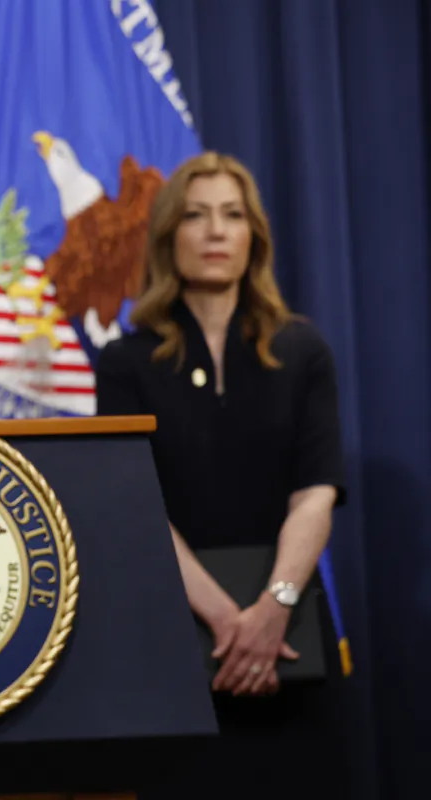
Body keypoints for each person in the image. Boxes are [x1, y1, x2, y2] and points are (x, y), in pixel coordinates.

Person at [94, 151, 350, 798]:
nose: (214, 231)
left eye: (232, 216)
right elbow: (139, 509)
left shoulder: (302, 350)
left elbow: (316, 495)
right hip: (178, 648)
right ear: (167, 236)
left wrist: (274, 609)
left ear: (253, 237)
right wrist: (230, 623)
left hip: (289, 646)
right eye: (196, 215)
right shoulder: (127, 362)